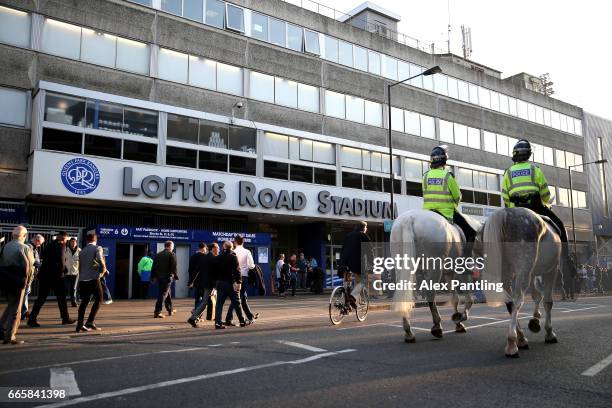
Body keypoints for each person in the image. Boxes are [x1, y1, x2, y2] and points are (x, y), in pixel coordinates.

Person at [502, 139, 574, 276]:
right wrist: (544, 203)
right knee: (559, 225)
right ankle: (566, 260)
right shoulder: (535, 170)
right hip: (536, 208)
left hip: (516, 211)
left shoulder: (508, 172)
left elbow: (505, 196)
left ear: (515, 155)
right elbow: (546, 194)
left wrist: (513, 209)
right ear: (529, 154)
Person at [422, 145, 476, 245]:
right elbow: (457, 197)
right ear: (444, 161)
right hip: (446, 213)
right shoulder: (448, 176)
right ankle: (468, 259)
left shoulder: (425, 176)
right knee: (471, 232)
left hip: (427, 213)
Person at [28, 231, 76, 327]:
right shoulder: (61, 246)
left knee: (41, 298)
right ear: (63, 238)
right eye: (66, 239)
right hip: (56, 276)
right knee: (61, 298)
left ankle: (32, 319)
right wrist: (64, 271)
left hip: (45, 276)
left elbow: (44, 256)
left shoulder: (49, 245)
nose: (66, 241)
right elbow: (62, 261)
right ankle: (65, 318)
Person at [0, 226, 35, 344]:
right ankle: (10, 336)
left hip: (6, 280)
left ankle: (1, 329)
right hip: (19, 281)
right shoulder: (25, 247)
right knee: (16, 310)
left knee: (11, 305)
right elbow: (29, 267)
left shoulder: (6, 246)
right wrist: (29, 282)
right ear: (24, 236)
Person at [213, 241, 250, 329]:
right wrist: (239, 282)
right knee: (237, 303)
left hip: (220, 283)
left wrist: (215, 283)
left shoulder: (218, 257)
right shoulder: (233, 257)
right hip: (230, 284)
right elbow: (237, 271)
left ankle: (218, 323)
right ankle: (242, 321)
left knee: (219, 304)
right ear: (232, 247)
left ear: (223, 247)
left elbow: (214, 271)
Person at [76, 232, 107, 333]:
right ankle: (90, 321)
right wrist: (103, 270)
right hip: (93, 279)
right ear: (95, 240)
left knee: (84, 302)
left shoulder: (82, 251)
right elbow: (99, 259)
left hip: (83, 279)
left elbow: (80, 266)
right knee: (99, 299)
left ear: (87, 240)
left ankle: (80, 325)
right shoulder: (97, 248)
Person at [225, 235, 258, 325]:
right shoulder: (247, 252)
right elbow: (251, 266)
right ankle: (229, 319)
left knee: (241, 298)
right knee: (237, 298)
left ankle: (250, 316)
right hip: (243, 277)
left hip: (233, 278)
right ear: (243, 242)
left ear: (235, 242)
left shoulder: (232, 252)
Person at [339, 221, 374, 305]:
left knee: (346, 281)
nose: (366, 229)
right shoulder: (363, 235)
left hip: (345, 261)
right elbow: (369, 251)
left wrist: (341, 261)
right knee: (363, 281)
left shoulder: (348, 235)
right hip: (356, 262)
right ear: (363, 228)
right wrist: (372, 263)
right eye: (366, 227)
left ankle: (344, 302)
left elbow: (343, 249)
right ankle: (353, 296)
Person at [187, 243, 218, 328]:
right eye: (217, 248)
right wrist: (215, 286)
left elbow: (196, 271)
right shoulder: (214, 259)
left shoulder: (204, 257)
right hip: (210, 285)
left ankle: (194, 317)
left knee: (205, 301)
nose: (218, 250)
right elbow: (215, 274)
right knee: (206, 302)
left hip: (203, 283)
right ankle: (194, 318)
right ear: (213, 249)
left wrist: (190, 282)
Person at [150, 241, 178, 318]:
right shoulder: (171, 254)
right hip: (167, 277)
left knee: (167, 293)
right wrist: (175, 276)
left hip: (159, 277)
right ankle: (157, 312)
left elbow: (154, 266)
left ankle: (170, 310)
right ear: (169, 246)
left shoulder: (158, 254)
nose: (173, 248)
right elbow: (174, 266)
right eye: (172, 246)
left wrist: (153, 277)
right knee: (163, 294)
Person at [21, 234, 44, 321]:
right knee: (25, 293)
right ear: (36, 240)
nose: (40, 245)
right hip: (27, 275)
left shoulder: (31, 247)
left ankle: (24, 311)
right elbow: (32, 261)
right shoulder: (29, 247)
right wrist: (40, 265)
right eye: (40, 243)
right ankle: (24, 312)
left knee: (25, 293)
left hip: (29, 274)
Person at [188, 243, 208, 308]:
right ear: (204, 248)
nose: (206, 250)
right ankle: (197, 313)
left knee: (197, 298)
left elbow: (190, 270)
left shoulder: (193, 257)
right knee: (204, 299)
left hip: (195, 281)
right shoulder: (205, 257)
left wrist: (191, 281)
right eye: (206, 249)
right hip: (203, 280)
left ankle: (196, 312)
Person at [64, 237, 80, 308]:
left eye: (74, 242)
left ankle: (73, 302)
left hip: (75, 273)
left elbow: (82, 262)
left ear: (76, 243)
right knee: (65, 288)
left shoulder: (79, 251)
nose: (73, 243)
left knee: (73, 288)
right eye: (72, 242)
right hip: (66, 273)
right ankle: (63, 302)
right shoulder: (65, 250)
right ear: (69, 243)